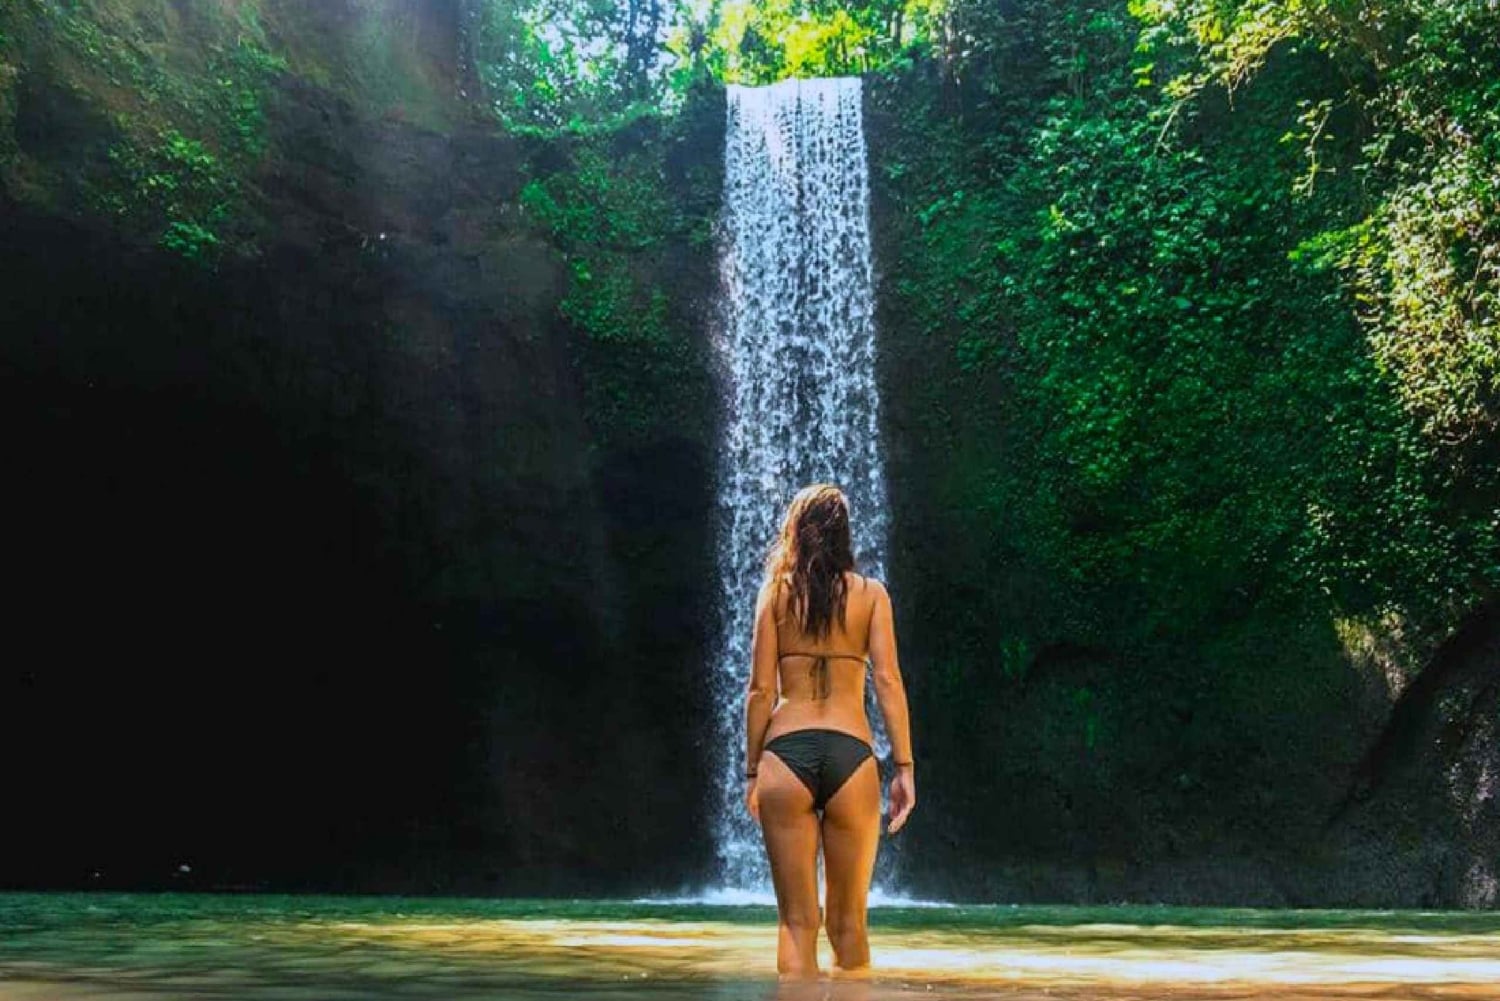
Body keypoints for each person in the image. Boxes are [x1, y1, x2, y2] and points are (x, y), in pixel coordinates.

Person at [743, 482, 916, 979]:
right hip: (851, 755)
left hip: (785, 752)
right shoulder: (871, 596)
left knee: (797, 923)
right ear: (845, 535)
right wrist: (903, 766)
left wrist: (753, 772)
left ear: (795, 533)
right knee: (848, 924)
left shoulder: (775, 594)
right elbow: (887, 680)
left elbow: (758, 691)